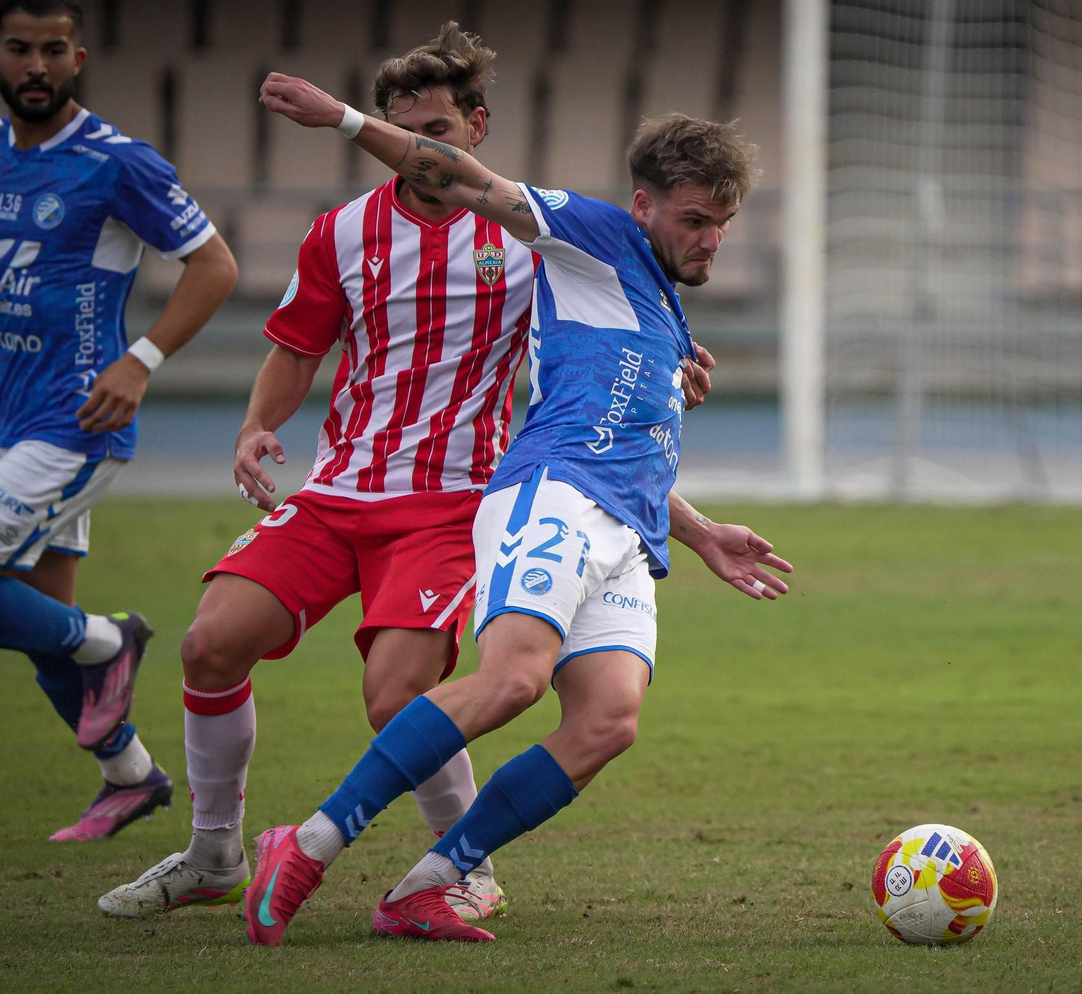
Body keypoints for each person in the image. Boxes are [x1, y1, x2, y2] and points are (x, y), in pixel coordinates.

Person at [95, 24, 714, 922]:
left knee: (396, 697)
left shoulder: (529, 242)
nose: (421, 148)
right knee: (209, 644)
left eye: (438, 131)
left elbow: (607, 342)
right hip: (337, 491)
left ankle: (465, 866)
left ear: (476, 128)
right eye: (408, 128)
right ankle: (213, 851)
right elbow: (297, 346)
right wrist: (256, 427)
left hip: (451, 504)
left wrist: (667, 369)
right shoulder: (342, 232)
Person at [240, 71, 792, 945]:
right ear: (643, 205)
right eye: (694, 220)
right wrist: (343, 119)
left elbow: (628, 444)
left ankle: (432, 883)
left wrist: (701, 532)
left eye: (722, 223)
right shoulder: (591, 233)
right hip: (552, 497)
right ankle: (306, 843)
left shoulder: (663, 314)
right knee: (513, 680)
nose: (711, 240)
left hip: (626, 530)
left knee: (607, 721)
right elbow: (463, 178)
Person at [0, 0, 237, 842]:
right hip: (6, 419)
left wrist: (142, 360)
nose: (37, 66)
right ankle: (130, 776)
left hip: (77, 421)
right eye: (21, 48)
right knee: (41, 627)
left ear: (78, 58)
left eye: (54, 49)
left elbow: (214, 264)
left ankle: (110, 639)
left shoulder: (117, 162)